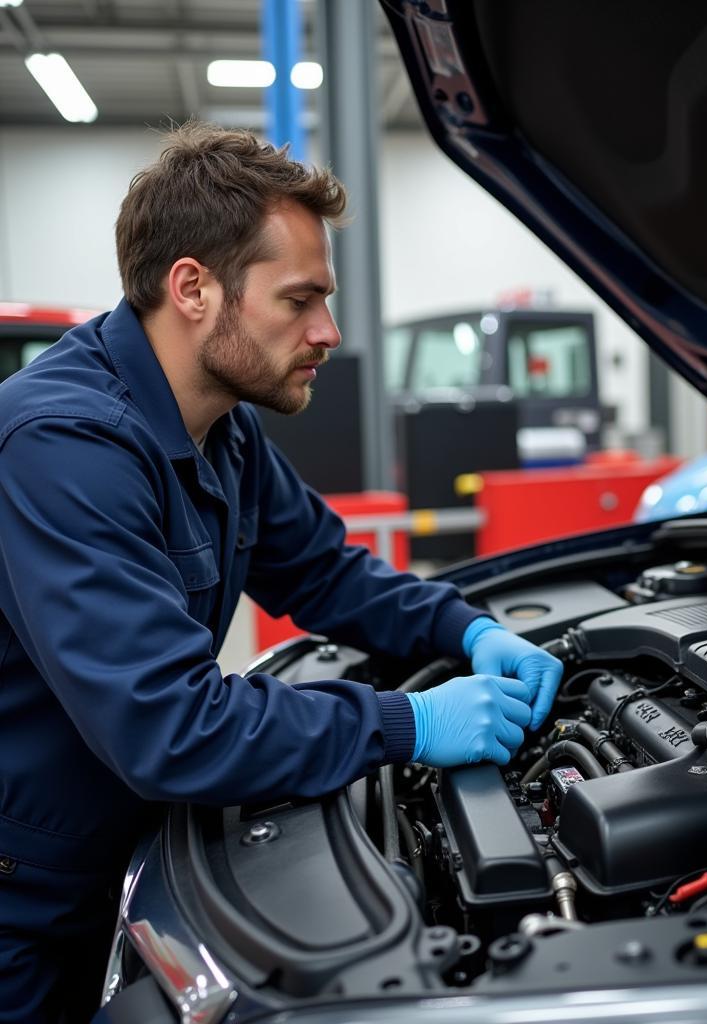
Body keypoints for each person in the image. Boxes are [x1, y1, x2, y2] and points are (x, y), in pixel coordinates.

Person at [0, 122, 563, 1022]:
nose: (328, 331)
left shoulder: (222, 427)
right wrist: (405, 722)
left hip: (116, 853)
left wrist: (467, 627)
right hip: (23, 900)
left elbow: (327, 576)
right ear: (193, 288)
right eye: (300, 299)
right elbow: (170, 726)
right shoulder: (62, 446)